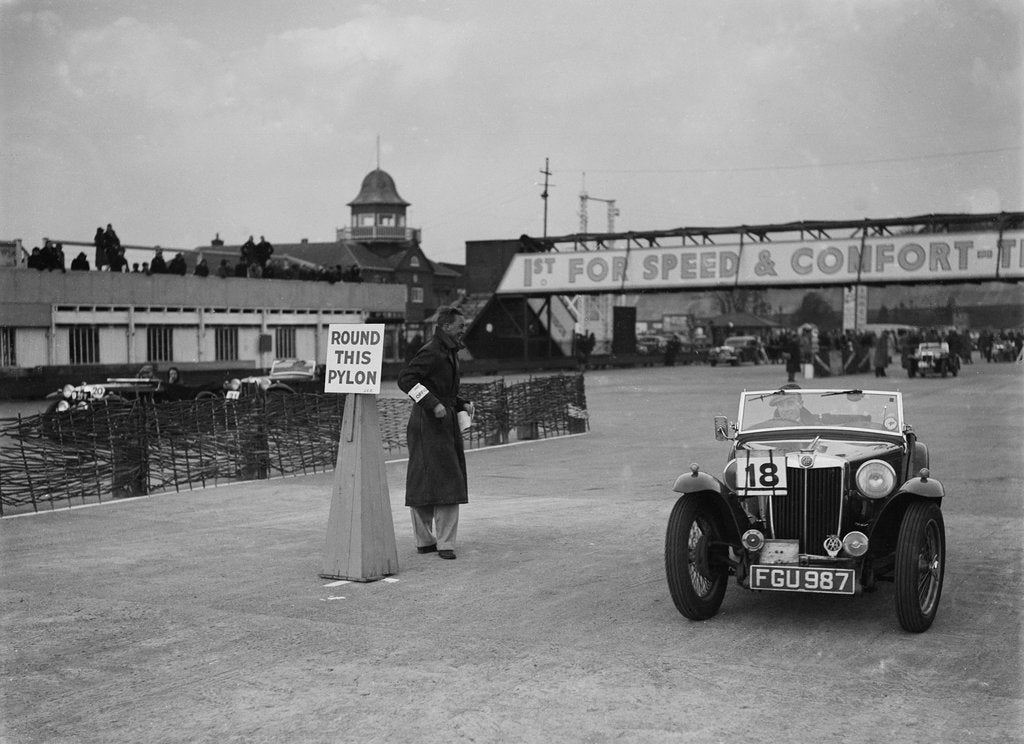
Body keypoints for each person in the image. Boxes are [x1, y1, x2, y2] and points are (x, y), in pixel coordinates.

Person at [396, 306, 475, 560]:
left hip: (442, 421)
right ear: (446, 326)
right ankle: (433, 541)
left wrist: (459, 402)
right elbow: (405, 379)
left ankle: (439, 542)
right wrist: (433, 404)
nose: (463, 329)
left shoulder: (447, 350)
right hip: (426, 423)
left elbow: (440, 386)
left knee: (444, 478)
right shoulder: (432, 350)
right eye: (460, 325)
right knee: (428, 480)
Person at [750, 384, 818, 428]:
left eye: (790, 403)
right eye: (781, 405)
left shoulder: (816, 426)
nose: (786, 409)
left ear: (800, 404)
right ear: (777, 407)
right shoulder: (767, 428)